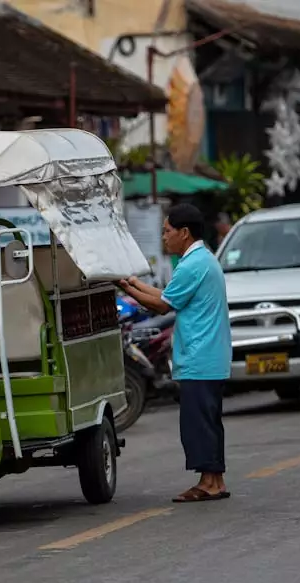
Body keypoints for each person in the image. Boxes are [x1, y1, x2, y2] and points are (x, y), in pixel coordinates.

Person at [117, 204, 233, 502]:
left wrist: (124, 288)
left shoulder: (193, 264)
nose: (163, 237)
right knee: (208, 421)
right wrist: (132, 283)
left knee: (198, 424)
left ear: (184, 233)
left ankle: (208, 483)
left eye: (167, 231)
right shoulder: (202, 260)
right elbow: (168, 295)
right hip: (210, 357)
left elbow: (161, 306)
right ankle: (215, 480)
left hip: (200, 357)